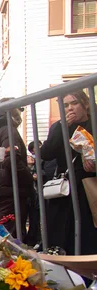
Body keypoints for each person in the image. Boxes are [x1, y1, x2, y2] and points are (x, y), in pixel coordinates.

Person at [40, 90, 97, 255]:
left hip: (89, 186)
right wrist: (62, 127)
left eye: (74, 103)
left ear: (85, 104)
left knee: (88, 235)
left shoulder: (93, 122)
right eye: (65, 105)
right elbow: (47, 153)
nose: (70, 108)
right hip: (66, 189)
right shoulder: (59, 126)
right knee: (63, 234)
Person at [0, 102, 35, 241]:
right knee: (12, 234)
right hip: (12, 188)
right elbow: (11, 159)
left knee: (4, 231)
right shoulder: (8, 130)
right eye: (19, 110)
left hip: (0, 186)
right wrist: (28, 177)